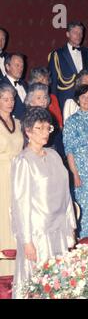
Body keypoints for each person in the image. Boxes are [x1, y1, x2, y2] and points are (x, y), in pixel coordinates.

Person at [11, 107, 76, 298]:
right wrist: (26, 241)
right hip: (37, 233)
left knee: (59, 282)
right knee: (38, 285)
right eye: (39, 128)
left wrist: (70, 225)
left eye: (47, 128)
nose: (44, 132)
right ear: (28, 131)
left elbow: (66, 194)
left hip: (59, 229)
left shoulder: (54, 155)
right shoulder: (23, 161)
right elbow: (20, 204)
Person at [63, 85, 88, 238]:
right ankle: (85, 245)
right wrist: (75, 174)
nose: (86, 100)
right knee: (84, 208)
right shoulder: (71, 122)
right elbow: (69, 150)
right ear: (77, 99)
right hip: (81, 171)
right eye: (83, 96)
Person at [0, 84, 24, 277]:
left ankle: (17, 267)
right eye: (5, 99)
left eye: (12, 99)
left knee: (15, 218)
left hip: (18, 175)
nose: (10, 103)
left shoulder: (18, 123)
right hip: (1, 177)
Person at [48, 21, 88, 109]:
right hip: (65, 100)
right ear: (67, 34)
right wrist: (54, 106)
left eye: (80, 33)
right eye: (75, 32)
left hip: (86, 100)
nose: (78, 36)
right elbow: (53, 82)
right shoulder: (57, 54)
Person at [0, 53, 27, 119]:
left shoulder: (25, 85)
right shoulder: (1, 85)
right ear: (7, 67)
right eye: (17, 65)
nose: (20, 69)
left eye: (22, 66)